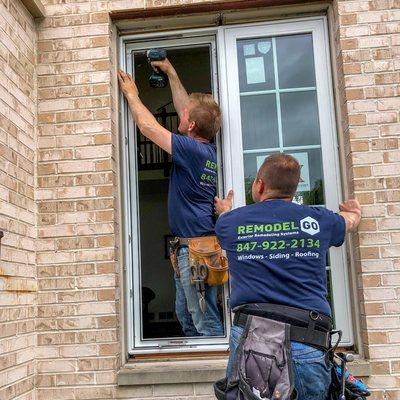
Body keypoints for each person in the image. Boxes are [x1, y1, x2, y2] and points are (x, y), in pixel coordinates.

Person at [214, 153, 361, 399]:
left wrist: (225, 211)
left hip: (252, 336)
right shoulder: (317, 219)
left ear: (260, 185)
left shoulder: (231, 222)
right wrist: (354, 211)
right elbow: (348, 221)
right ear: (294, 188)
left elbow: (225, 227)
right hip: (307, 337)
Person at [118, 58, 224, 337]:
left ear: (190, 126)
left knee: (204, 321)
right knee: (187, 318)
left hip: (196, 251)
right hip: (189, 249)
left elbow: (148, 128)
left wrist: (132, 95)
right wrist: (171, 72)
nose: (180, 113)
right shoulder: (204, 149)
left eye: (184, 114)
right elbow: (185, 107)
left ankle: (216, 375)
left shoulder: (192, 151)